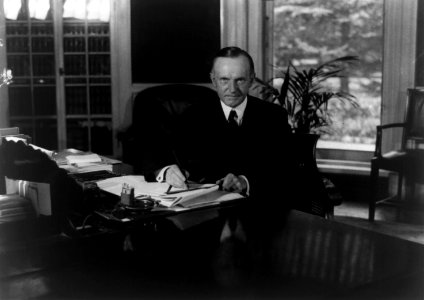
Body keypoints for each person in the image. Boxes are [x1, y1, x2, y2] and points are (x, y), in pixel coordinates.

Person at [153, 46, 294, 201]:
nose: (232, 89)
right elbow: (157, 152)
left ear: (251, 80)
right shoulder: (193, 115)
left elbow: (285, 168)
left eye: (240, 80)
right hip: (205, 211)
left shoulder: (273, 116)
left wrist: (245, 182)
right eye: (224, 80)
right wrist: (166, 170)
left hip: (258, 208)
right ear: (214, 80)